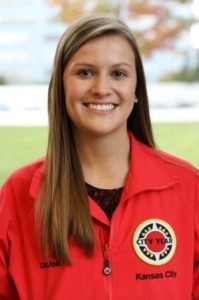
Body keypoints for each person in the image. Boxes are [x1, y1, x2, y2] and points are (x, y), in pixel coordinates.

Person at [0, 14, 198, 300]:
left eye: (118, 73)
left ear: (137, 89)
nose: (101, 88)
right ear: (61, 86)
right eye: (85, 73)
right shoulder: (20, 194)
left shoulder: (188, 186)